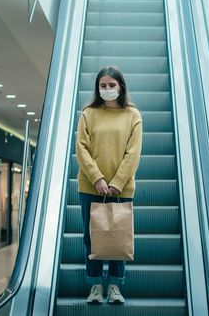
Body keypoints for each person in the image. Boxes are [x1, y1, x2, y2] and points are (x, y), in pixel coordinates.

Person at [76, 66, 142, 304]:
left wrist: (116, 182)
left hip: (121, 188)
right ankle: (95, 286)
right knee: (90, 237)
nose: (107, 89)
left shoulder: (133, 115)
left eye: (111, 85)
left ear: (120, 87)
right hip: (89, 187)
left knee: (118, 235)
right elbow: (81, 149)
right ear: (97, 88)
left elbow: (133, 153)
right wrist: (97, 178)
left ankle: (114, 285)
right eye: (102, 86)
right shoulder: (88, 114)